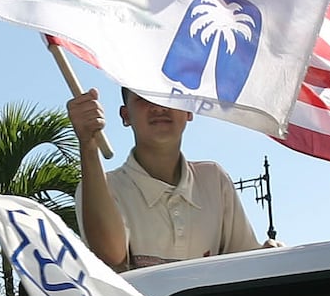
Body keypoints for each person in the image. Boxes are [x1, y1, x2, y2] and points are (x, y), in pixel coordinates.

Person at [69, 86, 261, 269]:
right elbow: (111, 254)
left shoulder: (214, 179)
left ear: (189, 110)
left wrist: (269, 254)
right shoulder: (103, 188)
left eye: (170, 96)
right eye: (143, 98)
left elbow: (247, 262)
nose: (158, 107)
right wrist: (88, 145)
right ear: (126, 115)